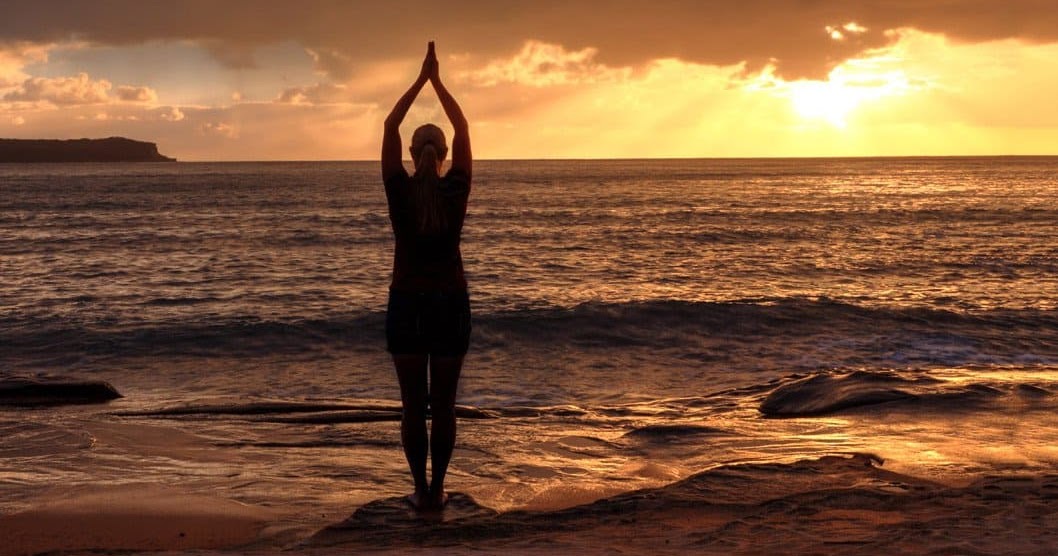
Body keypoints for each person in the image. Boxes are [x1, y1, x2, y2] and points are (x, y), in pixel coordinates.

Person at [381, 41, 472, 511]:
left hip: (408, 305)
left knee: (414, 406)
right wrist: (439, 82)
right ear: (442, 155)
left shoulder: (399, 191)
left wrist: (420, 81)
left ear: (414, 152)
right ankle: (439, 490)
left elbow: (389, 125)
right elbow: (463, 126)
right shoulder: (456, 189)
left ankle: (420, 489)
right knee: (446, 406)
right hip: (450, 305)